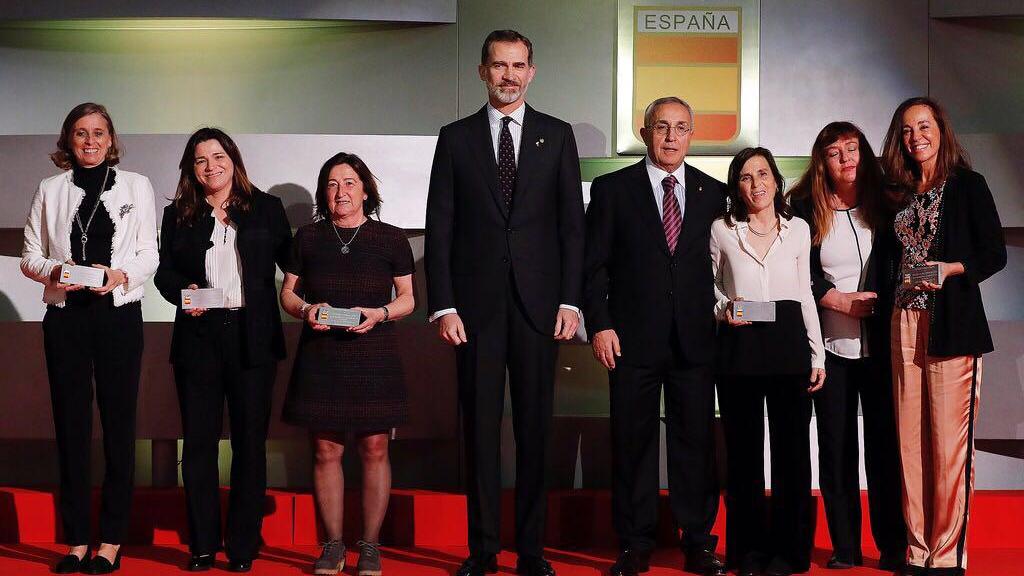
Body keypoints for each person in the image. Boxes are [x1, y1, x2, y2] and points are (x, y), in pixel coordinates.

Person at [424, 29, 585, 576]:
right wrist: (443, 306)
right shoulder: (455, 138)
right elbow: (440, 229)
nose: (509, 75)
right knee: (481, 430)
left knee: (536, 429)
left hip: (541, 310)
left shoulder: (558, 136)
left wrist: (571, 300)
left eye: (518, 66)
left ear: (532, 72)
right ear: (482, 71)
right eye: (499, 65)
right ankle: (484, 548)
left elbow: (572, 229)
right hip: (474, 314)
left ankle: (532, 551)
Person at [583, 96, 726, 576]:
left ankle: (700, 541)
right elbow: (594, 266)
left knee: (696, 443)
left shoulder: (714, 193)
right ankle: (634, 542)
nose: (670, 137)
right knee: (632, 442)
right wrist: (599, 324)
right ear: (645, 133)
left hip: (696, 341)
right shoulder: (611, 189)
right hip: (630, 340)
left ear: (692, 134)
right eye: (661, 127)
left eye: (681, 127)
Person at [21, 102, 158, 575]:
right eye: (81, 132)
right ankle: (77, 539)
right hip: (66, 318)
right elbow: (30, 257)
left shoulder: (137, 185)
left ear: (111, 138)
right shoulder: (49, 189)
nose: (90, 140)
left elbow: (148, 254)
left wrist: (119, 274)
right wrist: (58, 270)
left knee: (119, 428)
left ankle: (111, 540)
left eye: (99, 132)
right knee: (71, 428)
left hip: (118, 316)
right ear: (69, 140)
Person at [154, 128, 292, 573]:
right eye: (200, 159)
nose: (210, 166)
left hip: (252, 337)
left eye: (218, 156)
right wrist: (184, 293)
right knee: (197, 445)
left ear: (233, 159)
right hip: (198, 337)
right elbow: (164, 273)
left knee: (250, 446)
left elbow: (294, 264)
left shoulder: (266, 208)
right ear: (190, 168)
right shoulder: (179, 213)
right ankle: (202, 544)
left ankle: (243, 547)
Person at [880, 97, 1006, 576]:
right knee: (909, 444)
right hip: (902, 322)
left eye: (924, 126)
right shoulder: (899, 193)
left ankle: (947, 553)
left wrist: (950, 268)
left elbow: (995, 253)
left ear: (941, 130)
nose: (917, 137)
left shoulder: (968, 185)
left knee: (949, 446)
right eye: (908, 130)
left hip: (951, 324)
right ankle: (916, 550)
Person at [279, 152, 415, 576]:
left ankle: (370, 547)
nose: (341, 192)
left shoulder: (391, 239)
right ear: (324, 192)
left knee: (375, 447)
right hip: (322, 354)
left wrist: (379, 314)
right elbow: (287, 294)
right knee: (325, 450)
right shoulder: (306, 238)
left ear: (365, 189)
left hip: (375, 352)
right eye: (333, 184)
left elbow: (408, 300)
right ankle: (332, 546)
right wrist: (306, 311)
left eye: (350, 183)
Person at [788, 122, 906, 570]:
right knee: (835, 449)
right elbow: (796, 269)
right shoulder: (801, 207)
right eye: (835, 152)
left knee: (884, 451)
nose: (846, 159)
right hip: (829, 348)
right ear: (822, 160)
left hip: (880, 349)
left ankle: (892, 546)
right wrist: (835, 298)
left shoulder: (889, 202)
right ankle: (844, 546)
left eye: (853, 148)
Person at [710, 147, 826, 576]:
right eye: (745, 177)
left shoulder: (798, 230)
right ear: (736, 186)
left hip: (788, 342)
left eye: (763, 174)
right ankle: (747, 553)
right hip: (739, 347)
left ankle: (791, 552)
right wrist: (725, 309)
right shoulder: (722, 230)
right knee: (742, 455)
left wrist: (818, 354)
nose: (756, 184)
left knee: (793, 454)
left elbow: (805, 294)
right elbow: (707, 288)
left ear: (776, 180)